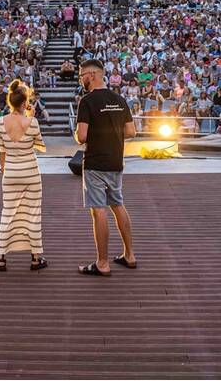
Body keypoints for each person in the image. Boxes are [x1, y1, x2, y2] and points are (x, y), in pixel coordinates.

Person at [75, 58, 137, 277]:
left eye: (82, 75)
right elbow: (131, 132)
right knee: (118, 205)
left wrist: (83, 135)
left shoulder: (87, 101)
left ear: (92, 75)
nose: (81, 79)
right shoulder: (119, 99)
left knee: (98, 211)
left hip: (95, 163)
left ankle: (102, 263)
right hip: (115, 161)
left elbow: (81, 136)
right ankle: (129, 255)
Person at [0, 80, 47, 272]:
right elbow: (39, 145)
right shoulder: (32, 123)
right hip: (31, 173)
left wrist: (3, 168)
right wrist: (30, 117)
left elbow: (1, 150)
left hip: (11, 172)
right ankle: (35, 258)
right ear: (25, 103)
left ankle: (1, 258)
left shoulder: (0, 123)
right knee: (32, 214)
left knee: (8, 213)